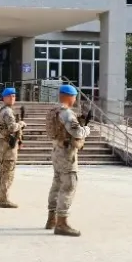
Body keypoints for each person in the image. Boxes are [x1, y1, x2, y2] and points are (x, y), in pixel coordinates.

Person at [45, 84, 90, 237]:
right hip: (66, 154)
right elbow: (77, 132)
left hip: (56, 150)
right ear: (70, 97)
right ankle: (62, 223)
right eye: (75, 96)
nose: (75, 99)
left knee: (57, 184)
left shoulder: (54, 111)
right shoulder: (67, 114)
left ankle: (52, 218)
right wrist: (87, 130)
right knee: (69, 184)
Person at [0, 88, 26, 208]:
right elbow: (12, 128)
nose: (12, 98)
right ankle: (3, 199)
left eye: (14, 96)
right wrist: (21, 124)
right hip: (7, 144)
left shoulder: (1, 110)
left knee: (1, 171)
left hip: (2, 143)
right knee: (8, 172)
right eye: (10, 96)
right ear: (4, 98)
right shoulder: (7, 112)